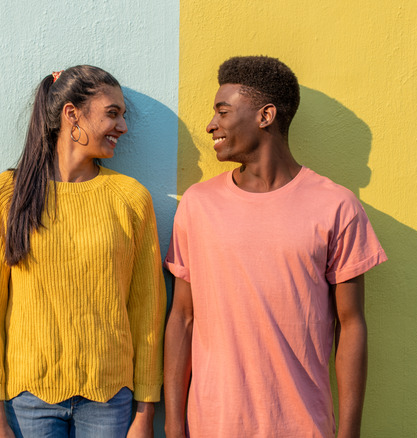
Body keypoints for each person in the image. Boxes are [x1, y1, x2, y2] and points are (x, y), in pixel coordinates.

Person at [163, 56, 387, 438]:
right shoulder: (197, 206)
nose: (211, 124)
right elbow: (182, 318)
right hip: (212, 426)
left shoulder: (337, 207)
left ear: (265, 116)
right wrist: (173, 426)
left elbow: (351, 326)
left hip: (302, 426)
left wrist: (349, 434)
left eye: (223, 111)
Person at [0, 65, 166, 438]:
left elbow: (148, 313)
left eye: (123, 115)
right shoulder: (5, 195)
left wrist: (145, 413)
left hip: (110, 399)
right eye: (113, 113)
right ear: (71, 113)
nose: (123, 126)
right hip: (28, 399)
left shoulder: (130, 199)